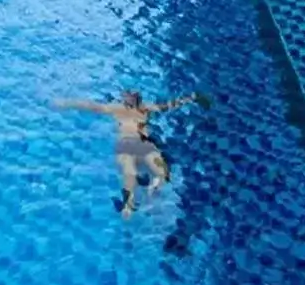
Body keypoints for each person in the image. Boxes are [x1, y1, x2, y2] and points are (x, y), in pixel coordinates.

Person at [55, 90, 206, 216]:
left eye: (130, 97)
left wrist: (190, 98)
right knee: (130, 171)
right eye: (127, 98)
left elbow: (168, 106)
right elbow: (93, 106)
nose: (128, 100)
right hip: (127, 144)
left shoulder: (145, 108)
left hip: (143, 143)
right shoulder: (118, 109)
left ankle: (147, 190)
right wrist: (67, 103)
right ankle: (129, 203)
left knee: (161, 173)